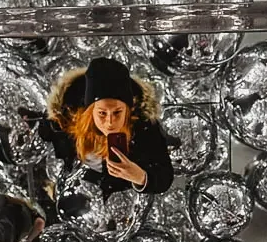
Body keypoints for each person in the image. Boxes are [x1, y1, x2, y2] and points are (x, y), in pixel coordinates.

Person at [39, 57, 174, 205]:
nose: (110, 122)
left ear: (128, 111)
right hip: (79, 199)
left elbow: (165, 176)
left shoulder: (144, 127)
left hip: (123, 203)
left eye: (117, 112)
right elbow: (45, 137)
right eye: (102, 113)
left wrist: (140, 177)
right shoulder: (64, 121)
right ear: (90, 111)